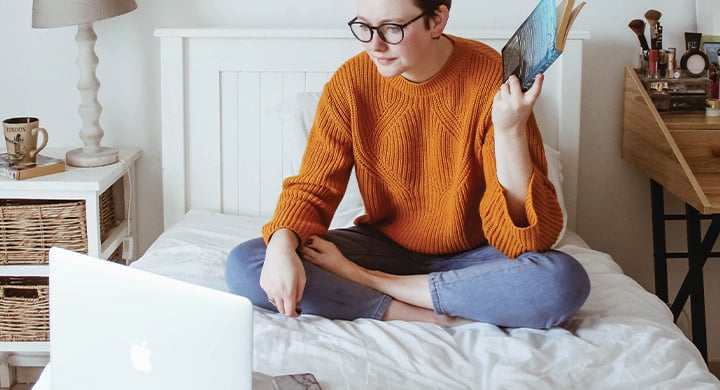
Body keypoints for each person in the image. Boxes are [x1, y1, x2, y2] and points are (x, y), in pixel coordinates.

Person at [226, 0, 590, 329]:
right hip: (385, 248)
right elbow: (313, 188)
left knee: (562, 280)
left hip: (476, 256)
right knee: (248, 263)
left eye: (392, 29)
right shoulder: (350, 84)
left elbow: (527, 240)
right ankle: (411, 310)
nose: (374, 45)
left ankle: (378, 287)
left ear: (437, 20)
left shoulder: (491, 80)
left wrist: (510, 131)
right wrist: (281, 245)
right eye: (364, 27)